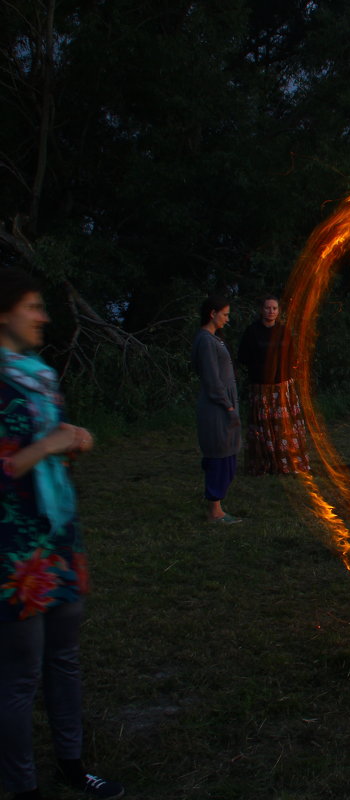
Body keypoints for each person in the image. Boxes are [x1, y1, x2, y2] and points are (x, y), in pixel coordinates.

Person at [0, 268, 124, 799]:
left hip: (58, 536)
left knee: (64, 659)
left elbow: (51, 444)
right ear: (4, 313)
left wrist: (74, 440)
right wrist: (48, 446)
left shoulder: (40, 376)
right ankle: (21, 786)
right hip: (15, 546)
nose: (44, 316)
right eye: (33, 306)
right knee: (21, 674)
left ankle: (73, 767)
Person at [237, 294, 309, 475]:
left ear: (278, 311)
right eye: (268, 308)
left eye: (274, 308)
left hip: (282, 385)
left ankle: (286, 460)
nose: (271, 311)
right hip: (261, 385)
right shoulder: (252, 332)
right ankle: (264, 462)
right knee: (264, 425)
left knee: (284, 425)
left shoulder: (283, 331)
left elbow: (291, 355)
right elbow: (243, 357)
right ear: (261, 310)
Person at [192, 295, 242, 524]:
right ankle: (215, 511)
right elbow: (212, 380)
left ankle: (218, 506)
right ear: (212, 313)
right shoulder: (205, 341)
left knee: (228, 454)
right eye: (225, 314)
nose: (227, 319)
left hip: (224, 404)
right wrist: (228, 405)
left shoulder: (214, 339)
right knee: (218, 455)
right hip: (216, 408)